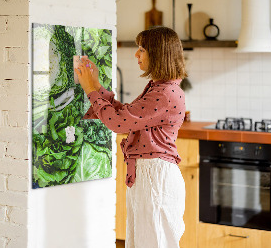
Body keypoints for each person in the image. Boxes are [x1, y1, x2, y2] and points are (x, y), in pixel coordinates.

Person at [75, 26, 187, 248]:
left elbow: (118, 123)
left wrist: (90, 90)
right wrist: (96, 85)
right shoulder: (160, 88)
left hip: (155, 177)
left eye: (142, 49)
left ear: (158, 54)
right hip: (150, 175)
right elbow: (125, 115)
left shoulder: (164, 93)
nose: (136, 54)